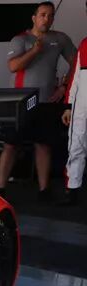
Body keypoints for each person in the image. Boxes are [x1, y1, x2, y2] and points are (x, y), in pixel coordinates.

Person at [0, 1, 76, 200]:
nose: (46, 19)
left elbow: (78, 63)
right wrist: (34, 51)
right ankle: (1, 188)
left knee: (44, 144)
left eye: (50, 15)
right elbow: (13, 67)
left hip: (46, 101)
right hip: (20, 101)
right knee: (10, 144)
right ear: (34, 17)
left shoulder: (60, 39)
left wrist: (64, 86)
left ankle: (43, 190)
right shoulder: (20, 39)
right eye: (42, 15)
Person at [62, 23, 87, 205]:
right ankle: (72, 190)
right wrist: (68, 106)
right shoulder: (85, 44)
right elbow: (75, 77)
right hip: (81, 107)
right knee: (76, 145)